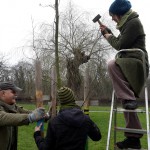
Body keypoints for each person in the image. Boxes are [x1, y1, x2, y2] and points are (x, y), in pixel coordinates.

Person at [100, 0, 149, 149]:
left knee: (111, 64)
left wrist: (108, 36)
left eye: (113, 16)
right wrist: (108, 31)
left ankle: (128, 98)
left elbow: (120, 45)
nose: (113, 19)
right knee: (126, 103)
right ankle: (133, 138)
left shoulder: (133, 23)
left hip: (137, 64)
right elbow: (122, 40)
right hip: (129, 64)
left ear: (119, 14)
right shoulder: (127, 24)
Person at [34, 86, 101, 150]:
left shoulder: (54, 122)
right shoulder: (85, 119)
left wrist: (37, 135)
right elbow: (97, 136)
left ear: (61, 102)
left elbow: (45, 148)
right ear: (73, 99)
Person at [0, 81, 46, 150]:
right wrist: (30, 117)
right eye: (13, 92)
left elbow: (27, 112)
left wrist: (44, 115)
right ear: (3, 93)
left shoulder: (12, 106)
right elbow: (3, 117)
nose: (16, 95)